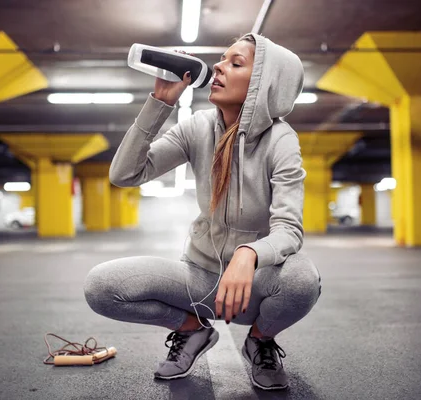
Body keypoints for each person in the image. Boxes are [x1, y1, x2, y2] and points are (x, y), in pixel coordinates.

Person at [83, 33, 322, 391]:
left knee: (303, 279)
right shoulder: (197, 127)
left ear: (263, 84)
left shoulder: (281, 140)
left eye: (235, 63)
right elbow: (125, 174)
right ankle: (191, 330)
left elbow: (289, 229)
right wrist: (159, 102)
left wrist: (249, 254)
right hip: (199, 279)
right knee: (101, 287)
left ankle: (260, 340)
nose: (218, 67)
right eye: (222, 60)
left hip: (252, 288)